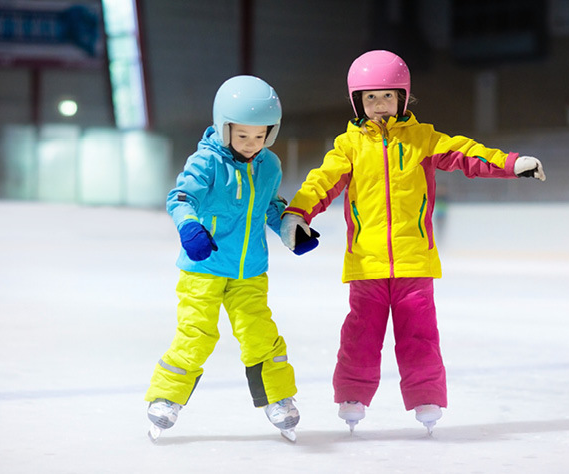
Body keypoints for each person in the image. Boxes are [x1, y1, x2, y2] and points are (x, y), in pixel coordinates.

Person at [279, 50, 545, 433]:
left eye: (387, 96)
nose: (379, 106)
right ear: (358, 102)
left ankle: (427, 398)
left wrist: (510, 163)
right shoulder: (348, 147)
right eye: (370, 98)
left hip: (414, 262)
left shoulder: (424, 139)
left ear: (402, 98)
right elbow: (321, 182)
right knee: (360, 335)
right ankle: (352, 395)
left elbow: (466, 154)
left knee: (419, 336)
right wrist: (297, 213)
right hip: (367, 263)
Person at [145, 75, 315, 443]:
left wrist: (289, 229)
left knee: (260, 334)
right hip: (203, 268)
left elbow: (270, 206)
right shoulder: (206, 162)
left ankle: (278, 398)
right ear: (224, 128)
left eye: (261, 136)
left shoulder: (269, 166)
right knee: (197, 334)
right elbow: (180, 199)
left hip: (250, 272)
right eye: (243, 136)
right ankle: (166, 397)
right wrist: (189, 228)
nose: (252, 145)